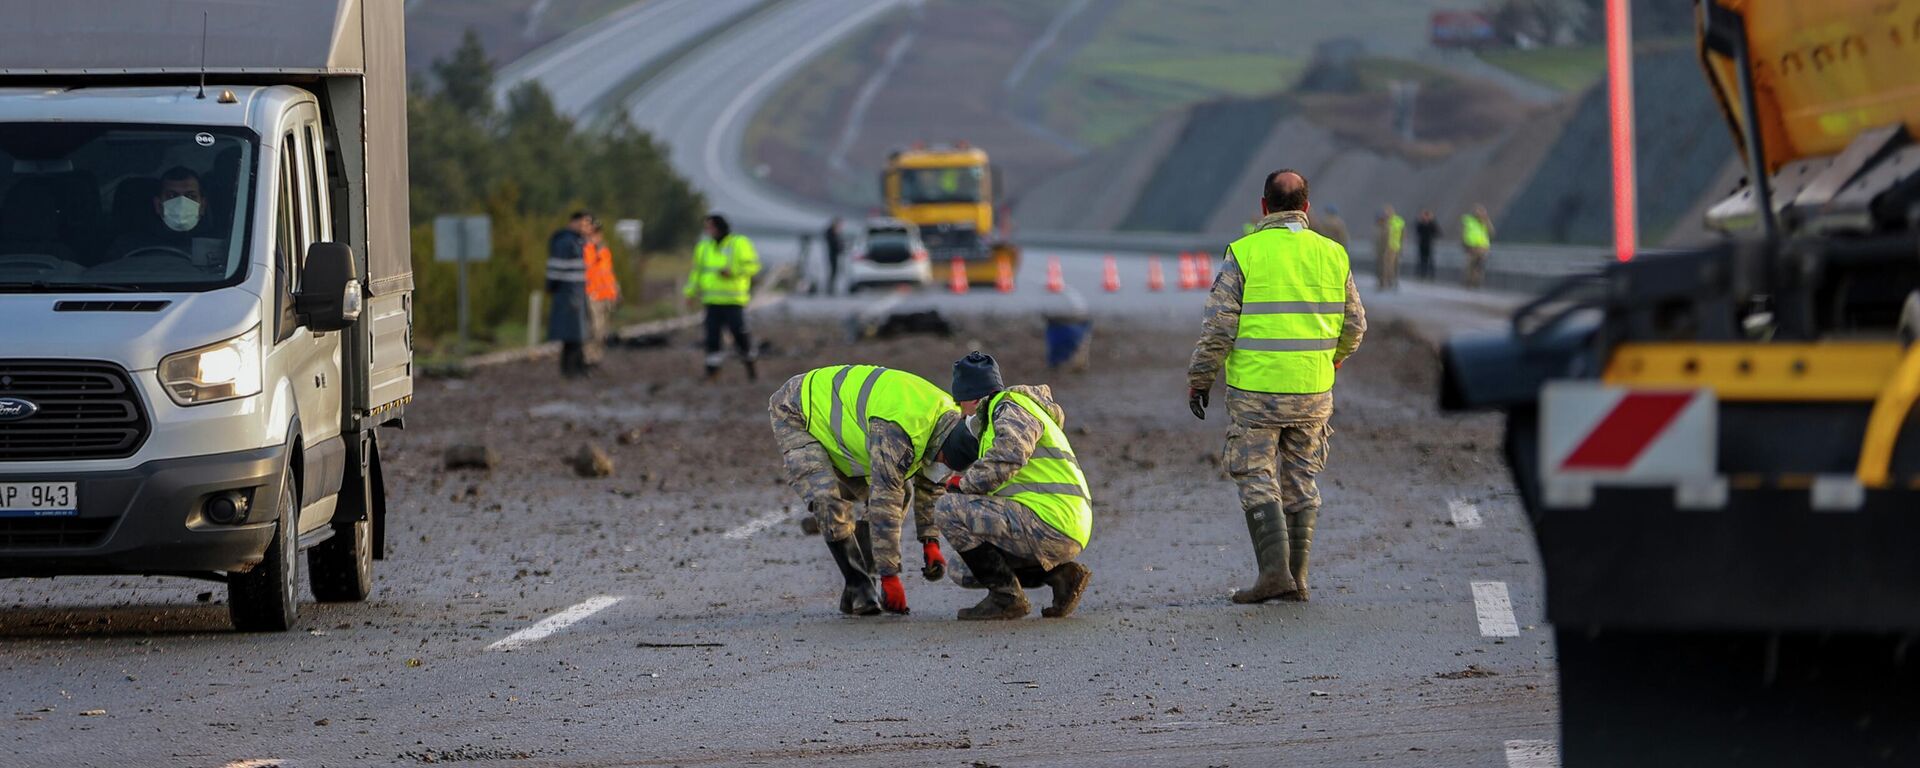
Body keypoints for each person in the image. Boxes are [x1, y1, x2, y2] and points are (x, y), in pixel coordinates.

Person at [1187, 169, 1366, 604]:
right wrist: (1334, 359)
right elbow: (1356, 324)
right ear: (1306, 207)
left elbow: (1218, 328)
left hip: (1256, 394)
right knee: (1303, 477)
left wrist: (1200, 378)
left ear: (1264, 207)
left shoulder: (1246, 253)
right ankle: (1298, 580)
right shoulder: (1333, 254)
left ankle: (1273, 575)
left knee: (1255, 475)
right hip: (1313, 391)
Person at [769, 364, 975, 616]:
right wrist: (891, 576)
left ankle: (862, 583)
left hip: (847, 430)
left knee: (903, 492)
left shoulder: (951, 421)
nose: (942, 465)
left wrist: (930, 542)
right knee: (826, 498)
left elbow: (931, 481)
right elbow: (884, 501)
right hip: (797, 409)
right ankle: (858, 584)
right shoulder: (900, 428)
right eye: (943, 459)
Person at [934, 352, 1094, 620]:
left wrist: (964, 485)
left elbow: (1010, 455)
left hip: (1051, 520)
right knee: (963, 570)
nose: (962, 414)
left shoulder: (1009, 407)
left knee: (947, 509)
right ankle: (1061, 576)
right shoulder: (1009, 416)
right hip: (1062, 523)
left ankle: (1006, 598)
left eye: (960, 404)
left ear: (972, 398)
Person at [685, 214, 761, 381]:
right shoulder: (703, 247)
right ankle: (712, 372)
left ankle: (750, 364)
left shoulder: (739, 243)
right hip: (711, 301)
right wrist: (690, 293)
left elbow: (753, 266)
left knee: (739, 335)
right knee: (711, 337)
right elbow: (696, 272)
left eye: (711, 227)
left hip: (734, 300)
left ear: (720, 227)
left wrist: (733, 272)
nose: (708, 231)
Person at [105, 166, 216, 261]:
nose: (182, 202)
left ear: (202, 206)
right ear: (158, 205)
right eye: (172, 196)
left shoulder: (218, 247)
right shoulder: (126, 246)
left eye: (190, 196)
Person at [546, 211, 594, 378]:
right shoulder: (565, 242)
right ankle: (570, 370)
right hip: (568, 295)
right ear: (573, 222)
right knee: (572, 334)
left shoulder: (578, 242)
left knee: (577, 335)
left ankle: (577, 368)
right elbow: (555, 269)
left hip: (577, 294)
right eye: (583, 223)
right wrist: (552, 288)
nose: (585, 227)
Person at [583, 220, 619, 368]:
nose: (597, 236)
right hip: (593, 295)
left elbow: (608, 273)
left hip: (606, 295)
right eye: (594, 233)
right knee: (595, 329)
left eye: (598, 233)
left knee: (603, 331)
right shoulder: (586, 251)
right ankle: (588, 358)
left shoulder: (605, 251)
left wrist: (615, 290)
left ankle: (596, 358)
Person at [1461, 205, 1493, 289]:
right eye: (1478, 212)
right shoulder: (1469, 221)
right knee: (1470, 265)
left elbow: (1491, 232)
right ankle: (1469, 282)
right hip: (1471, 247)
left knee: (1479, 265)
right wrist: (1465, 245)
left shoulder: (1485, 222)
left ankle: (1476, 282)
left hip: (1482, 247)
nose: (1480, 214)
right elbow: (1464, 234)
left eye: (1482, 212)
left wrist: (1486, 220)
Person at [1375, 205, 1404, 291]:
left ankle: (1389, 282)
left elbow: (1400, 235)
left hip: (1392, 246)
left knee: (1389, 265)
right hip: (1393, 246)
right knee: (1390, 265)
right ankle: (1389, 282)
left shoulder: (1391, 222)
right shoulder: (1395, 221)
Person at [1414, 209, 1440, 280]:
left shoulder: (1432, 224)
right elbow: (1417, 230)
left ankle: (1432, 275)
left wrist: (1431, 221)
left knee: (1431, 260)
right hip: (1422, 244)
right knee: (1422, 260)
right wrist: (1421, 221)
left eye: (1427, 216)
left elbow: (1438, 232)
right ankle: (1422, 274)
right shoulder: (1420, 224)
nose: (1425, 218)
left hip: (1429, 244)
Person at [822, 217, 844, 295]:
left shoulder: (834, 231)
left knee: (835, 271)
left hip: (835, 254)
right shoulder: (831, 232)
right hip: (832, 254)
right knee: (833, 271)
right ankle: (830, 289)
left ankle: (832, 288)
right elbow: (834, 243)